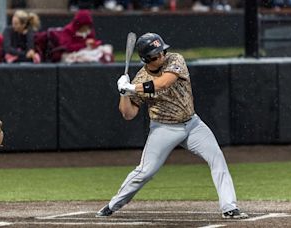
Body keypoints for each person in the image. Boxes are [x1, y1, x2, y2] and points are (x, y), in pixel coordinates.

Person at [96, 33, 248, 219]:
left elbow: (164, 82)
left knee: (217, 159)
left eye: (162, 51)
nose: (161, 56)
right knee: (146, 171)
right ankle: (112, 205)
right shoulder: (139, 79)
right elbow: (128, 114)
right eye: (156, 54)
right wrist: (123, 92)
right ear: (146, 59)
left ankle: (229, 207)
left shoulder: (175, 59)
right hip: (163, 128)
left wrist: (133, 88)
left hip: (193, 124)